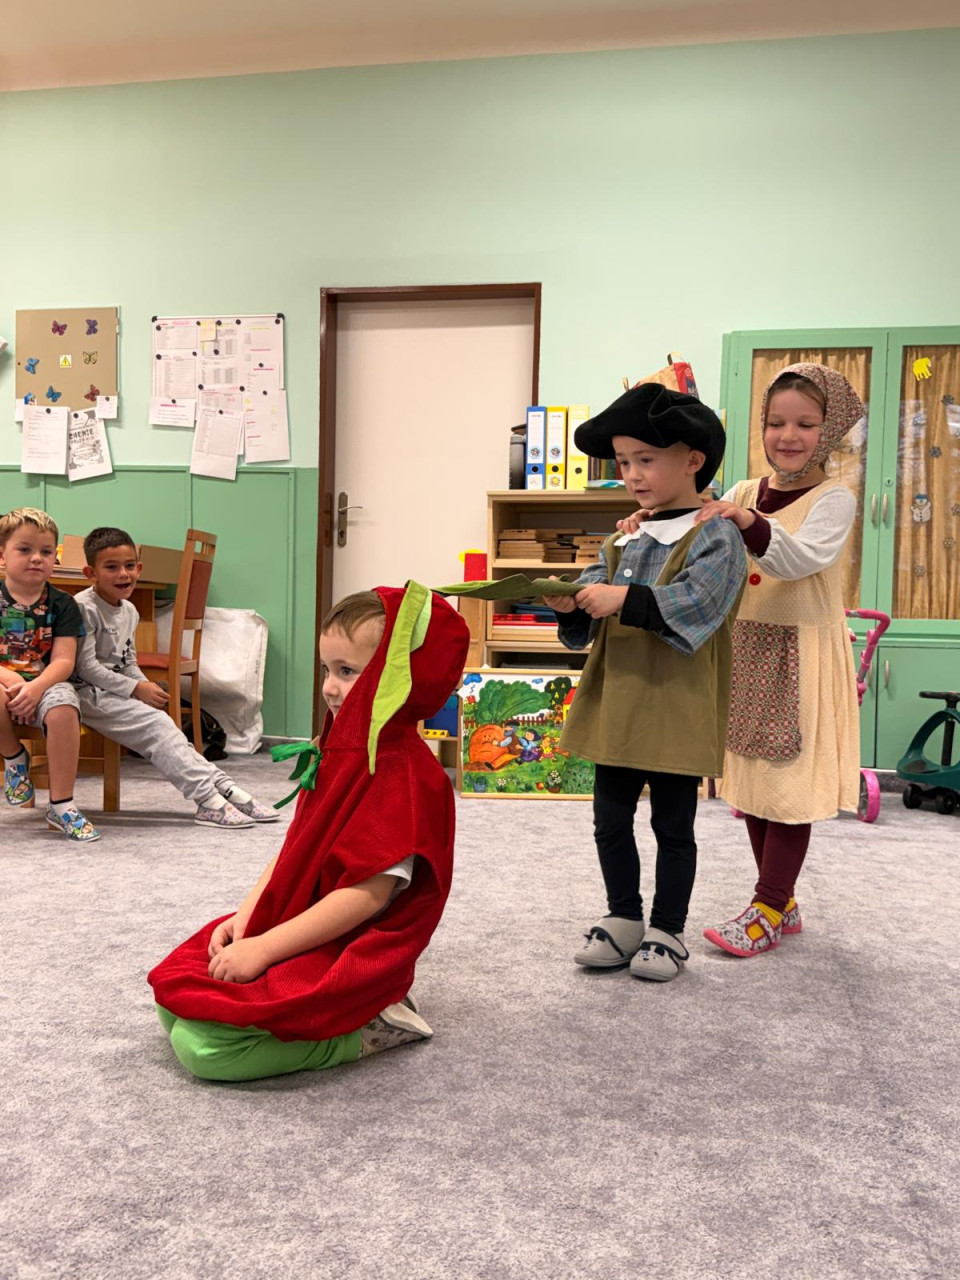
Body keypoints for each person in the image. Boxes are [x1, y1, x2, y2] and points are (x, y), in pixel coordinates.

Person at [148, 584, 469, 1081]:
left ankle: (374, 1027)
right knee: (176, 1002)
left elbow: (366, 897)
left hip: (353, 944)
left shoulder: (404, 779)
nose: (329, 687)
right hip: (303, 913)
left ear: (398, 679)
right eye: (326, 669)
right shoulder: (340, 749)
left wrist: (264, 948)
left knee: (205, 1051)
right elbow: (298, 844)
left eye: (347, 672)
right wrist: (249, 913)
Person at [544, 384, 746, 982]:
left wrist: (622, 598)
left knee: (673, 826)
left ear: (693, 460)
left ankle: (668, 929)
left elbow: (700, 602)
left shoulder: (717, 535)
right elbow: (591, 595)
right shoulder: (623, 537)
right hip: (619, 702)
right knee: (610, 820)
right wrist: (569, 603)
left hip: (677, 704)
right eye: (623, 462)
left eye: (646, 459)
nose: (632, 474)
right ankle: (624, 915)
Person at [694, 364, 863, 957]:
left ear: (829, 430)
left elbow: (797, 559)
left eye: (806, 424)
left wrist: (747, 522)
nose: (788, 436)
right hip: (746, 647)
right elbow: (701, 538)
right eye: (776, 422)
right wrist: (653, 519)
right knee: (752, 782)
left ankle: (766, 906)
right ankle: (782, 901)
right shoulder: (744, 491)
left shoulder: (834, 499)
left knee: (788, 784)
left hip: (799, 654)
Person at [72, 527, 276, 829]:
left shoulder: (129, 610)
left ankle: (224, 788)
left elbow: (128, 661)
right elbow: (86, 667)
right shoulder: (83, 608)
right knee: (156, 727)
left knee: (165, 725)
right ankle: (208, 799)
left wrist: (144, 687)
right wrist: (136, 688)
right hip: (84, 692)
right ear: (91, 573)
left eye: (129, 566)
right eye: (111, 567)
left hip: (113, 689)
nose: (123, 574)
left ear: (139, 568)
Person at [0, 506, 99, 842]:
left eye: (45, 551)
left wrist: (36, 687)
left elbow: (64, 661)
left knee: (64, 710)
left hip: (48, 682)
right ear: (2, 555)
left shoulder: (64, 604)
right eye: (24, 549)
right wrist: (14, 681)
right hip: (3, 681)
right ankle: (14, 757)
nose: (36, 558)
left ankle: (62, 805)